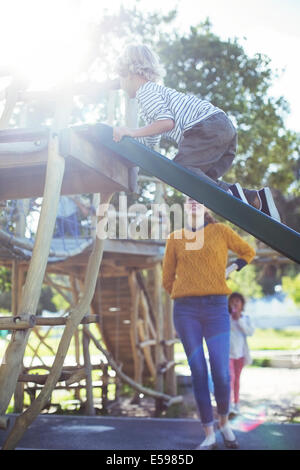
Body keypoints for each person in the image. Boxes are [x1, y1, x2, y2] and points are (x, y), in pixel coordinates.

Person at [110, 44, 280, 221]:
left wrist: (130, 131)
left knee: (180, 171)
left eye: (120, 79)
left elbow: (166, 123)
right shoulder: (154, 94)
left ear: (129, 74)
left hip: (207, 127)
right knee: (200, 182)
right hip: (221, 130)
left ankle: (232, 194)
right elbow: (151, 140)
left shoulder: (145, 92)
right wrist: (130, 147)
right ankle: (255, 199)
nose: (121, 86)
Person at [162, 196, 255, 450]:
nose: (194, 202)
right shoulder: (175, 238)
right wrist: (184, 294)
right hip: (186, 311)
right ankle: (208, 433)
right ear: (184, 206)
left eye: (199, 199)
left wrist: (231, 268)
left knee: (222, 374)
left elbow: (248, 251)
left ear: (206, 206)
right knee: (199, 373)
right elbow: (167, 279)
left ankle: (224, 422)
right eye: (189, 199)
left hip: (216, 309)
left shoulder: (221, 231)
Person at [228, 292, 255, 415]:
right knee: (230, 378)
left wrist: (239, 320)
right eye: (232, 301)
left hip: (240, 354)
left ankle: (236, 403)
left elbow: (250, 332)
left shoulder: (246, 319)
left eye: (237, 301)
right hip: (228, 355)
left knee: (237, 380)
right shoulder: (226, 318)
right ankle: (228, 405)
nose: (235, 303)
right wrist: (232, 318)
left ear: (242, 304)